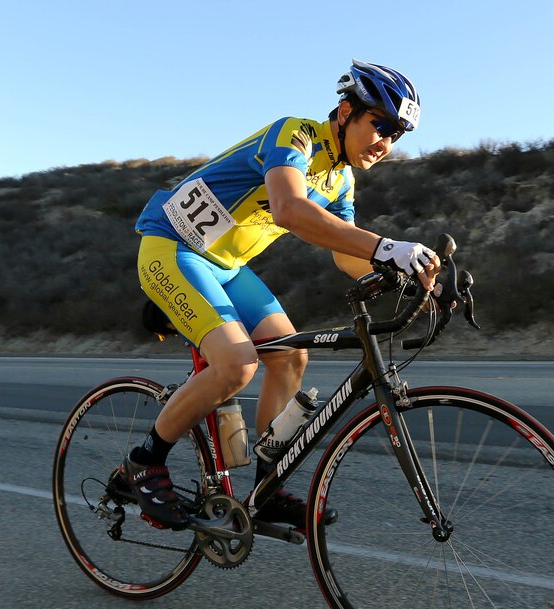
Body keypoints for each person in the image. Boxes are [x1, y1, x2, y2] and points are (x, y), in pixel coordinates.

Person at [124, 59, 440, 531]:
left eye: (395, 135)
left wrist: (398, 267)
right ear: (346, 109)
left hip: (226, 266)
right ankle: (144, 463)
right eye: (380, 125)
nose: (385, 143)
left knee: (291, 356)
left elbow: (344, 254)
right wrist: (387, 247)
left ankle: (266, 488)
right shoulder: (296, 135)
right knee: (238, 364)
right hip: (173, 247)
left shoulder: (341, 180)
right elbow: (289, 208)